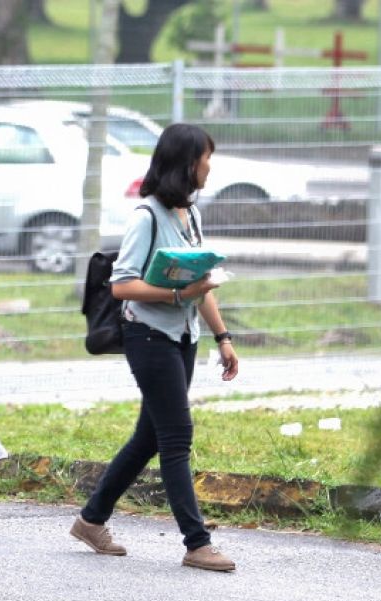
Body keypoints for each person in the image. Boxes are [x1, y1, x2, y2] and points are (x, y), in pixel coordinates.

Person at [69, 123, 240, 572]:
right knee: (176, 437)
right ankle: (196, 541)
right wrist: (176, 296)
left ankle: (91, 520)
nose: (209, 167)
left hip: (183, 339)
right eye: (206, 158)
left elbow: (202, 285)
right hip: (148, 338)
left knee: (150, 437)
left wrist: (222, 337)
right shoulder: (146, 217)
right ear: (188, 163)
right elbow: (122, 285)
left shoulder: (190, 215)